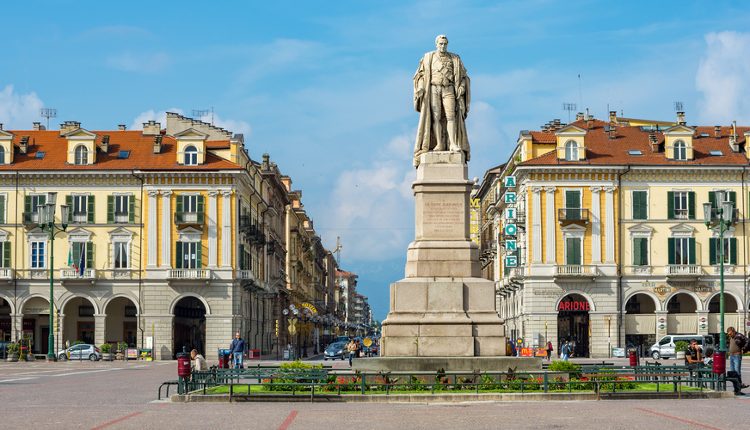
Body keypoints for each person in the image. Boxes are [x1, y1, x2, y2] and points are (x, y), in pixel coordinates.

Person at [413, 34, 471, 166]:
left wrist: (461, 87)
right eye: (440, 44)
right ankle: (439, 143)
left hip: (449, 89)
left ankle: (454, 144)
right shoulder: (428, 57)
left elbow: (463, 77)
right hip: (433, 88)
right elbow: (420, 76)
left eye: (445, 44)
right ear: (436, 44)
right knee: (436, 117)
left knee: (451, 117)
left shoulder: (455, 58)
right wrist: (421, 87)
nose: (443, 46)